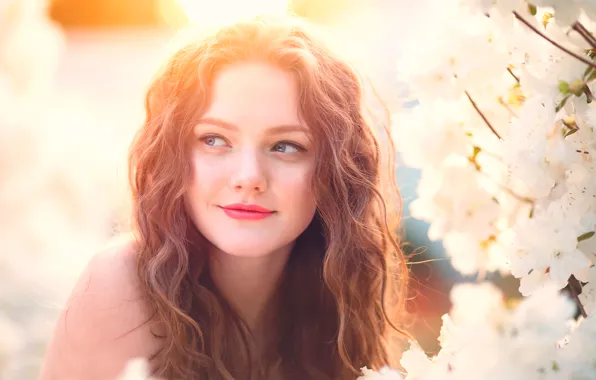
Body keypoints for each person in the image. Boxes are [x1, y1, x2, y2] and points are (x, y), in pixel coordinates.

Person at [38, 14, 410, 380]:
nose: (249, 177)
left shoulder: (336, 301)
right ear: (172, 154)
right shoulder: (121, 284)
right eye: (214, 140)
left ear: (335, 169)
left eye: (285, 146)